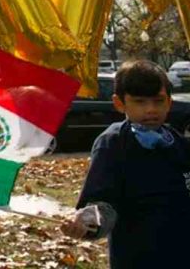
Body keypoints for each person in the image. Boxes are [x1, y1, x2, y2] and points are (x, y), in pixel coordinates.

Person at [61, 60, 190, 268]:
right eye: (140, 101)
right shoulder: (113, 144)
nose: (150, 109)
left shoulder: (178, 144)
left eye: (158, 101)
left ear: (169, 102)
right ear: (119, 103)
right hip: (137, 258)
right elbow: (103, 203)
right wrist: (89, 222)